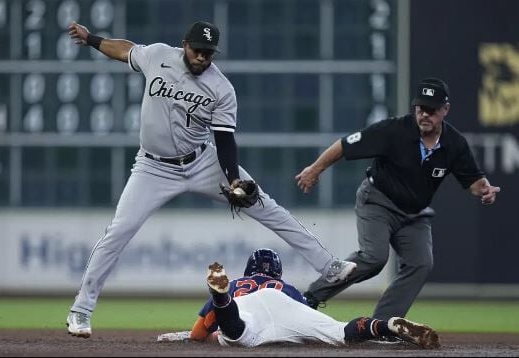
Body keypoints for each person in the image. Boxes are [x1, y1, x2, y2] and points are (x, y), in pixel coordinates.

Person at [65, 20, 357, 338]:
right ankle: (80, 311)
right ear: (184, 44)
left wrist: (233, 179)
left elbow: (225, 141)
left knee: (268, 208)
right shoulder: (158, 56)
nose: (203, 57)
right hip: (152, 167)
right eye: (198, 50)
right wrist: (92, 39)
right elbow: (124, 50)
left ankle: (330, 266)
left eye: (209, 53)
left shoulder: (221, 89)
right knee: (118, 232)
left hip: (202, 161)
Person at [295, 77, 501, 324]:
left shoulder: (454, 144)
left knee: (421, 263)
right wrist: (314, 169)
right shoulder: (393, 130)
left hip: (414, 214)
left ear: (445, 110)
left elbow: (474, 182)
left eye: (431, 110)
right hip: (377, 201)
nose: (424, 115)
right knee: (374, 257)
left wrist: (485, 190)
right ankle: (310, 297)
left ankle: (381, 324)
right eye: (420, 108)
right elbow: (344, 145)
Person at [157, 248, 440, 349]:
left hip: (244, 308)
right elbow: (304, 317)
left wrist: (196, 335)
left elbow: (197, 334)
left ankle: (220, 301)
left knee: (236, 333)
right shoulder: (287, 287)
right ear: (278, 273)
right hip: (285, 306)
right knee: (339, 332)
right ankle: (386, 325)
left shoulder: (236, 285)